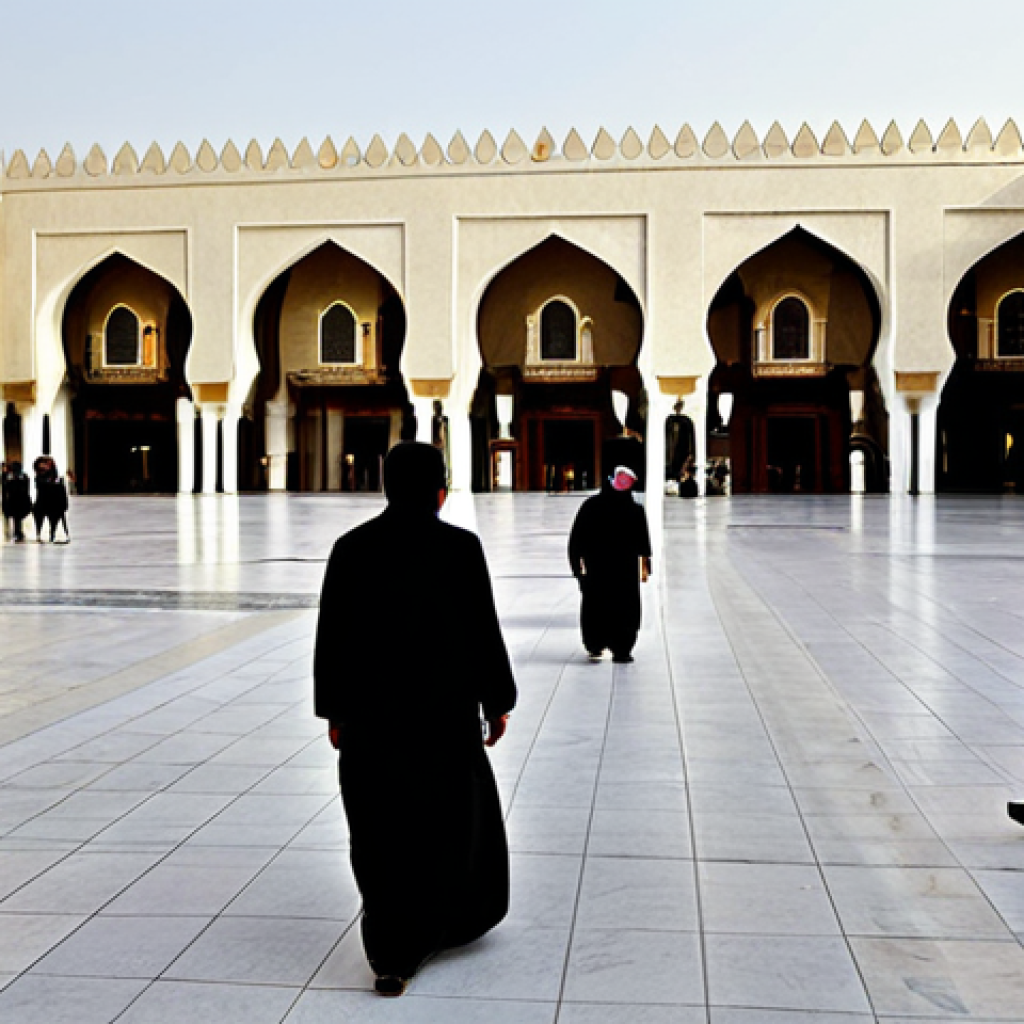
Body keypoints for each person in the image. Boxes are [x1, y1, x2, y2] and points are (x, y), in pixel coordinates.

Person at [314, 441, 517, 998]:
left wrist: (334, 710)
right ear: (439, 491)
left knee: (380, 827)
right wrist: (496, 700)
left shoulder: (351, 548)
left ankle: (392, 949)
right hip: (441, 720)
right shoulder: (459, 548)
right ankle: (433, 926)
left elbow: (332, 638)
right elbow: (482, 632)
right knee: (442, 822)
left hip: (371, 722)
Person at [568, 464, 652, 663]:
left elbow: (576, 541)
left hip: (604, 569)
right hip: (615, 571)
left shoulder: (594, 506)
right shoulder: (631, 510)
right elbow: (643, 546)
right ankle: (615, 646)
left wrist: (577, 568)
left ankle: (604, 645)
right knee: (619, 607)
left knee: (600, 605)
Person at [32, 456, 70, 543]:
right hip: (42, 503)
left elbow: (61, 490)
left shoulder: (57, 477)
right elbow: (42, 487)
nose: (45, 465)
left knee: (55, 520)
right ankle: (40, 533)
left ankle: (53, 534)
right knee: (39, 518)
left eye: (47, 464)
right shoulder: (39, 477)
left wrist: (64, 504)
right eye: (43, 464)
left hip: (55, 503)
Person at [2, 460, 32, 542]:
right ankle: (17, 532)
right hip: (17, 499)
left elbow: (7, 487)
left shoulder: (14, 476)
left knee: (17, 518)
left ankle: (17, 532)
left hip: (16, 499)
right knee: (17, 518)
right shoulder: (20, 476)